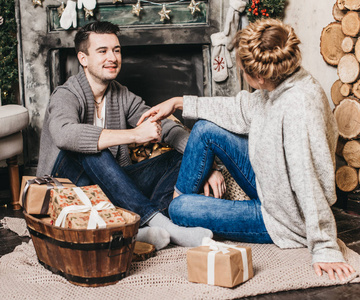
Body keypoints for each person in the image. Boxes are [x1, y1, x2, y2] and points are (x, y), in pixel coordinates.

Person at [137, 19, 356, 280]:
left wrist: (325, 247)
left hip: (281, 217)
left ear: (259, 77)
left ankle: (176, 215)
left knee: (180, 208)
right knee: (205, 128)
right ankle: (180, 217)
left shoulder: (300, 107)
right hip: (272, 185)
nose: (241, 73)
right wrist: (178, 102)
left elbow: (308, 181)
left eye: (242, 69)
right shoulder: (279, 82)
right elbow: (240, 110)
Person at [36, 21, 224, 250]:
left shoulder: (121, 94)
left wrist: (203, 162)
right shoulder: (66, 94)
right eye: (102, 51)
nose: (112, 57)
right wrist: (134, 135)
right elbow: (64, 134)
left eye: (116, 50)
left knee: (179, 158)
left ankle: (138, 229)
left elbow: (165, 127)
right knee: (92, 148)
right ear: (83, 59)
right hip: (68, 191)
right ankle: (165, 226)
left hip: (114, 186)